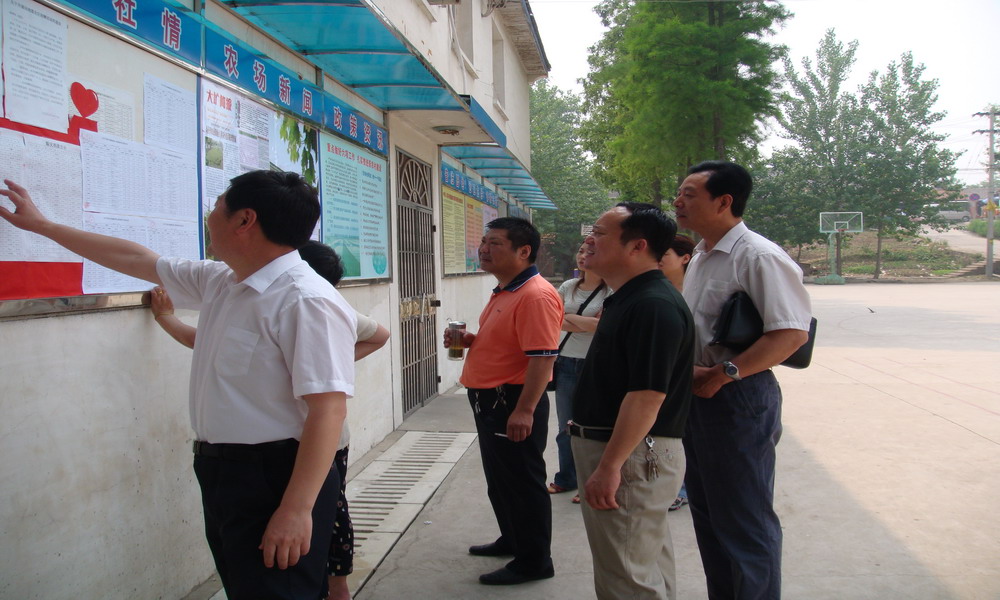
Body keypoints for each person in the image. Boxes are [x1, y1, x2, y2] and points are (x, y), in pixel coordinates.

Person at [0, 171, 357, 600]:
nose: (209, 216)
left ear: (244, 220)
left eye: (217, 206)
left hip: (276, 477)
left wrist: (296, 509)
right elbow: (135, 259)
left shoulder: (306, 299)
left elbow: (328, 410)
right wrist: (42, 226)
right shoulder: (224, 281)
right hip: (225, 473)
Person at [149, 240, 389, 600]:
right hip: (282, 451)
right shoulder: (255, 299)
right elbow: (205, 342)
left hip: (318, 446)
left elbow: (378, 337)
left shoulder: (313, 301)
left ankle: (337, 588)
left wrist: (322, 367)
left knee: (326, 520)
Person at [674, 161, 812, 600]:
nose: (678, 202)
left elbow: (791, 333)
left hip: (738, 397)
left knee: (743, 519)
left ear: (724, 201)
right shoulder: (701, 255)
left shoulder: (758, 256)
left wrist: (724, 374)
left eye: (689, 194)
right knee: (709, 515)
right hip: (699, 393)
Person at [570, 202, 694, 599]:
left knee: (627, 578)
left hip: (630, 455)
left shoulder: (652, 305)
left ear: (637, 246)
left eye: (600, 233)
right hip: (624, 450)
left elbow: (647, 396)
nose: (590, 240)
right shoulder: (628, 298)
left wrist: (609, 467)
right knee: (643, 564)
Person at [445, 217, 562, 586]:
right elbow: (512, 345)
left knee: (522, 481)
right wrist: (472, 342)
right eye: (484, 241)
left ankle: (534, 560)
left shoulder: (535, 295)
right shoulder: (507, 290)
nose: (483, 249)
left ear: (523, 251)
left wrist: (524, 410)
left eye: (494, 243)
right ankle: (513, 539)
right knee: (501, 479)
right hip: (490, 400)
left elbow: (542, 357)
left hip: (511, 400)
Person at [549, 244, 610, 505]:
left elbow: (604, 326)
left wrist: (570, 318)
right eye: (581, 251)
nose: (583, 256)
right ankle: (566, 477)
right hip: (565, 362)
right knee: (566, 427)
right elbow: (552, 318)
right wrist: (588, 322)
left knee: (591, 426)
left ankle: (588, 483)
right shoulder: (568, 286)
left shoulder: (611, 290)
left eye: (590, 252)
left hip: (594, 365)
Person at [658, 233, 695, 512]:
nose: (658, 259)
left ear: (685, 258)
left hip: (691, 371)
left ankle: (682, 489)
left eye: (665, 254)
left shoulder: (694, 291)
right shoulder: (656, 291)